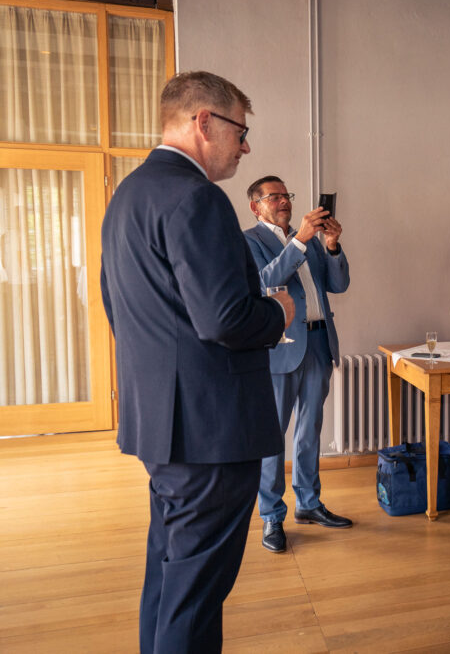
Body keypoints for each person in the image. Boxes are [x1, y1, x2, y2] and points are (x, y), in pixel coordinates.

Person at [100, 71, 291, 653]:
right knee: (196, 594)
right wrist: (279, 313)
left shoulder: (128, 194)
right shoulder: (198, 197)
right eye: (241, 131)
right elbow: (225, 319)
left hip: (161, 424)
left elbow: (117, 306)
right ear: (204, 122)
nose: (245, 146)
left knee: (169, 576)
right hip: (212, 432)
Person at [243, 175, 352, 554]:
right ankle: (272, 515)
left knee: (309, 431)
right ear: (256, 206)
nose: (284, 201)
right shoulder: (249, 241)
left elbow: (338, 285)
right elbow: (263, 283)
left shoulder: (310, 239)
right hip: (280, 348)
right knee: (272, 436)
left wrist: (332, 246)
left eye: (286, 195)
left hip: (319, 342)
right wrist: (300, 241)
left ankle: (308, 503)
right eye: (274, 197)